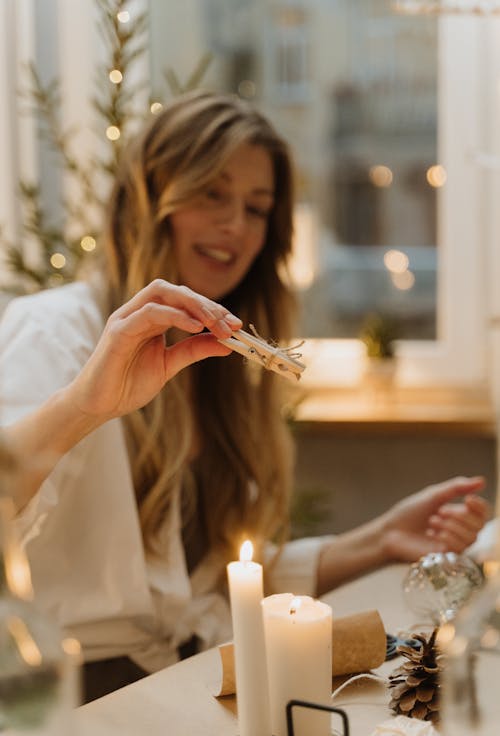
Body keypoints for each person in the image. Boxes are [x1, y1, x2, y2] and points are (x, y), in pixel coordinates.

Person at [0, 90, 489, 702]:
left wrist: (381, 538)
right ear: (149, 202)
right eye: (212, 194)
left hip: (187, 679)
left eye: (257, 208)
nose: (235, 225)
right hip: (77, 698)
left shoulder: (218, 363)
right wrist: (85, 407)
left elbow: (204, 587)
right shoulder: (53, 330)